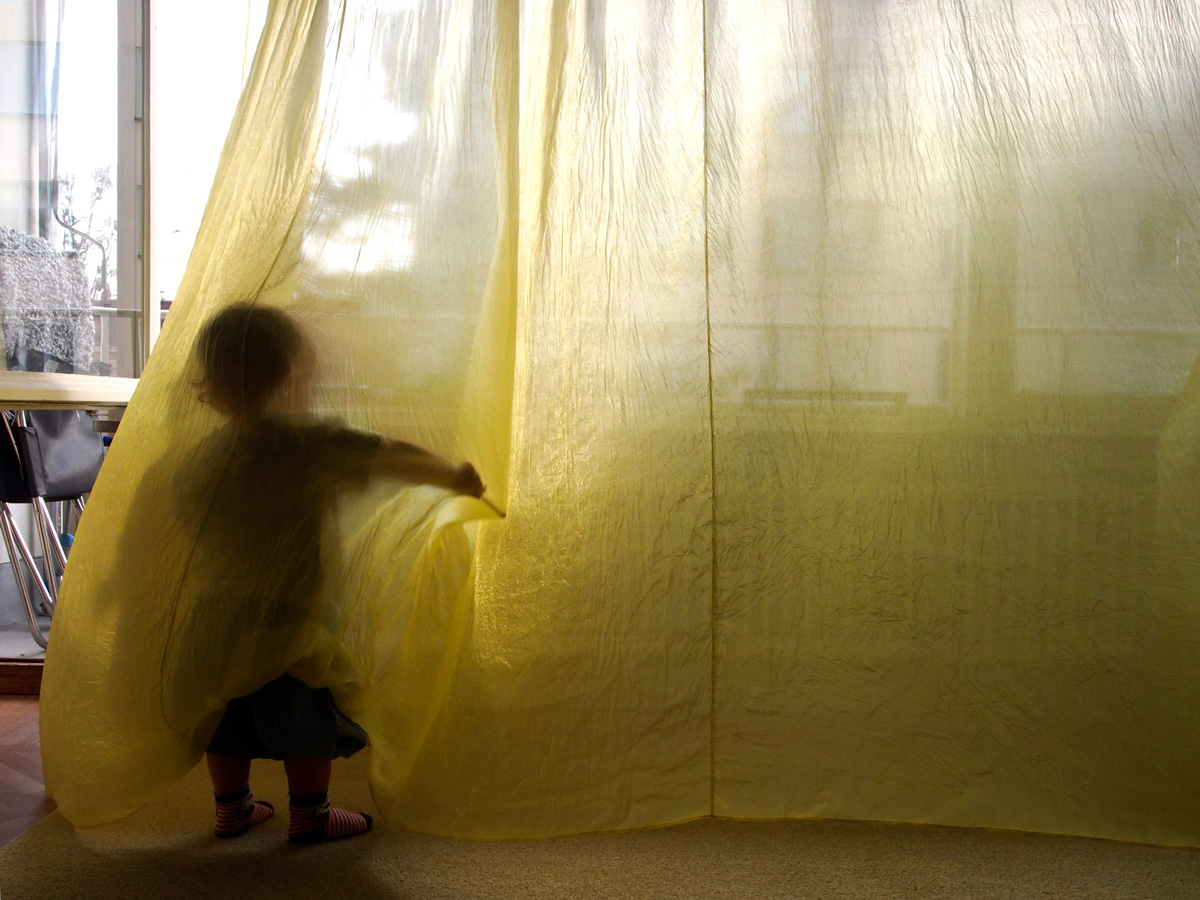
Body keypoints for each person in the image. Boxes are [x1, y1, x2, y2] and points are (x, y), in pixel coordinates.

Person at [187, 302, 484, 843]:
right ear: (291, 373)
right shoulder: (309, 439)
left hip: (215, 615)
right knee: (307, 715)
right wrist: (452, 475)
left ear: (211, 381)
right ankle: (312, 815)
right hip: (291, 615)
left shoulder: (204, 454)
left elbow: (169, 529)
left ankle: (231, 808)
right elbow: (389, 453)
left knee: (225, 718)